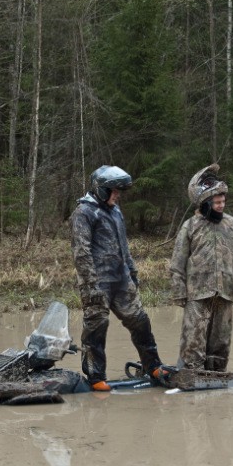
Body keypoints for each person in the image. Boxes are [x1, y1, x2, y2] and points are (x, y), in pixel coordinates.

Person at [70, 165, 170, 391]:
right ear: (101, 189)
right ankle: (96, 378)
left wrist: (132, 273)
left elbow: (124, 247)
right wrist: (90, 284)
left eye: (119, 191)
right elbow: (81, 252)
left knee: (140, 320)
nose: (117, 195)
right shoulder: (83, 213)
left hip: (121, 279)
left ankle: (152, 366)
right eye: (113, 190)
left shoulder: (115, 211)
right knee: (97, 326)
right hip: (97, 282)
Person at [170, 164, 233, 372]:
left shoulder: (231, 224)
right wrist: (178, 292)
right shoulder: (191, 225)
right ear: (205, 203)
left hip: (225, 293)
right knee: (193, 340)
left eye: (223, 201)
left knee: (221, 340)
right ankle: (191, 373)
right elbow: (177, 263)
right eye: (217, 202)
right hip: (197, 294)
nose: (221, 205)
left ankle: (216, 375)